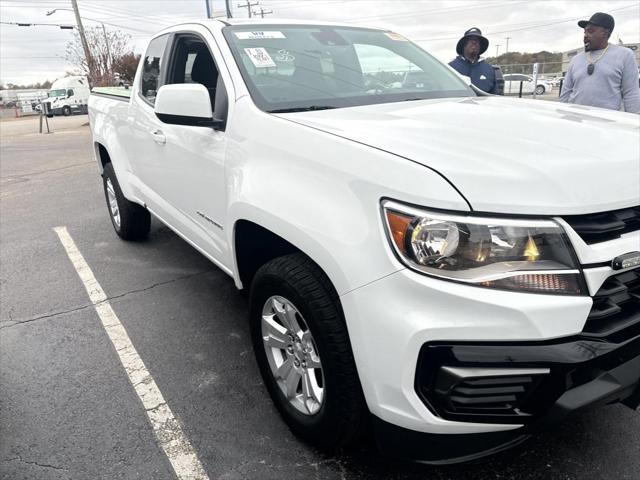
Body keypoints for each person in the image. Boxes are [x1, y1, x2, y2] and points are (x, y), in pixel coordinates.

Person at [560, 12, 640, 113]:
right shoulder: (576, 59)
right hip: (576, 120)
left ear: (605, 33)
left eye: (590, 31)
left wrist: (633, 123)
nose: (585, 36)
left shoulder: (625, 55)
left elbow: (631, 93)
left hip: (607, 123)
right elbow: (565, 93)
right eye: (585, 32)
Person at [449, 28, 500, 94]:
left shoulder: (489, 70)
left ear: (480, 46)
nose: (474, 42)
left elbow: (495, 96)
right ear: (464, 45)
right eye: (470, 40)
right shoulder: (450, 68)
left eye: (477, 40)